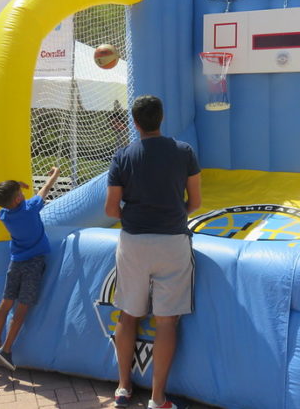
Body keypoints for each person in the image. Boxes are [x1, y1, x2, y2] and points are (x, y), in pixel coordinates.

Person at [105, 95, 201, 409]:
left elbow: (110, 208)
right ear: (161, 118)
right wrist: (171, 214)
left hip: (133, 242)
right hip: (172, 242)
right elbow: (196, 203)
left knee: (128, 315)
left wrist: (134, 217)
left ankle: (122, 388)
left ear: (135, 123)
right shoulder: (183, 152)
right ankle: (158, 399)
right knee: (166, 322)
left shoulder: (123, 156)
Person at [0, 167, 60, 371]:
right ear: (18, 199)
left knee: (6, 302)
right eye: (19, 193)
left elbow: (13, 198)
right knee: (22, 308)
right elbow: (44, 190)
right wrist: (53, 175)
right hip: (33, 264)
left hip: (15, 262)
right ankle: (7, 350)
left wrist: (16, 186)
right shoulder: (31, 208)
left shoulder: (4, 215)